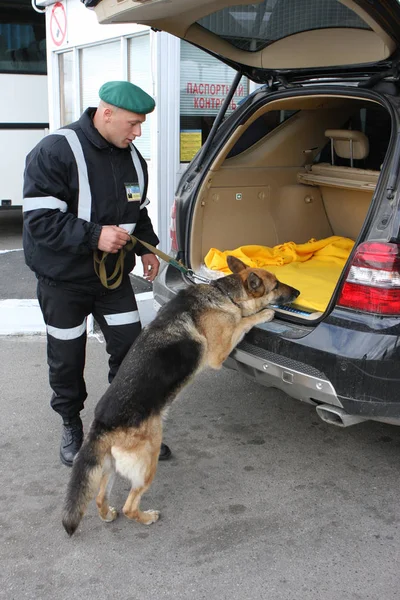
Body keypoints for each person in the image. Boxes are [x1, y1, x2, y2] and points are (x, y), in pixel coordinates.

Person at [23, 80, 172, 466]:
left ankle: (126, 426)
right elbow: (39, 221)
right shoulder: (57, 150)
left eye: (141, 125)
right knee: (67, 359)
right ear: (106, 114)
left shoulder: (133, 158)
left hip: (112, 281)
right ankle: (72, 425)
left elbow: (135, 212)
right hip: (63, 284)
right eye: (133, 123)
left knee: (132, 354)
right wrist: (93, 235)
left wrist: (146, 248)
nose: (138, 132)